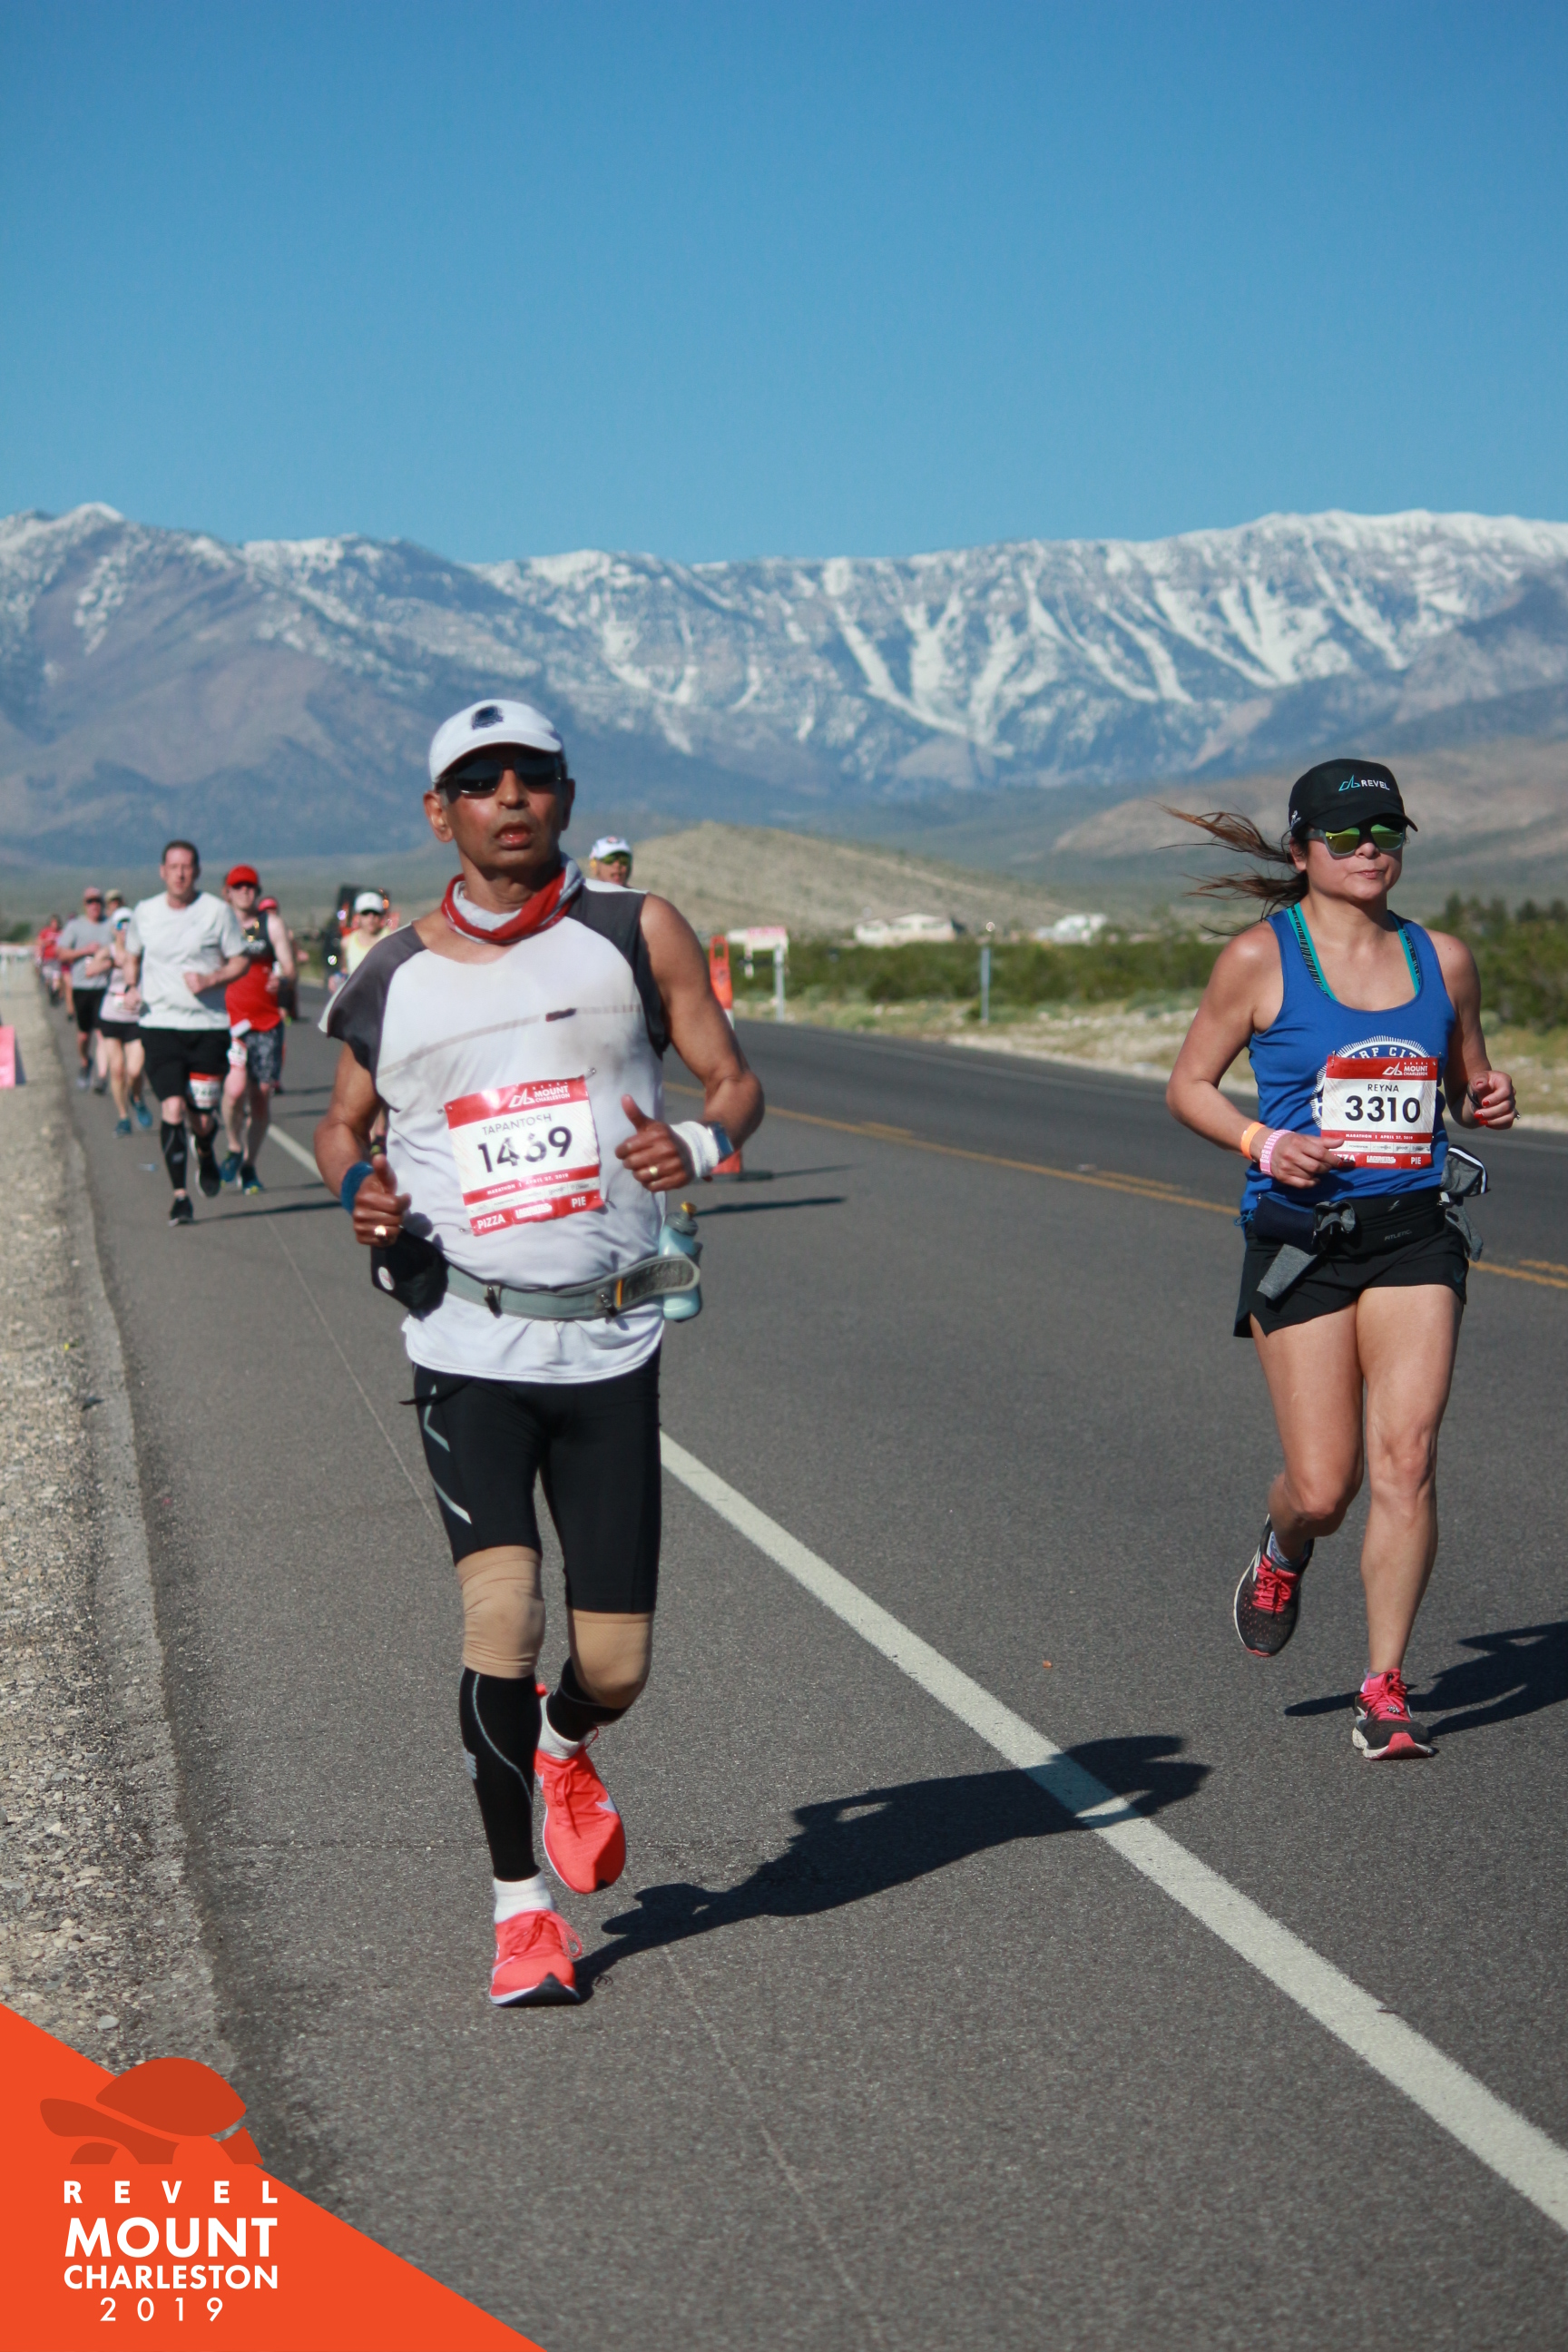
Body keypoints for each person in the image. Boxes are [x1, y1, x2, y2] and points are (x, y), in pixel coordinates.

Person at [314, 698, 762, 2005]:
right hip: (469, 1340)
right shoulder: (389, 977)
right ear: (438, 812)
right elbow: (343, 1125)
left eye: (532, 775)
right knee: (501, 1618)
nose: (508, 796)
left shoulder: (635, 930)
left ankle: (566, 1742)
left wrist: (704, 1144)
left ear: (564, 795)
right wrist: (357, 1191)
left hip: (610, 1341)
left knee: (614, 1664)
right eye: (479, 779)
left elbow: (732, 1080)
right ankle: (521, 1912)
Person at [1166, 760, 1516, 1760]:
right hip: (1301, 1240)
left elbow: (1468, 1085)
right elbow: (1188, 1086)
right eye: (1348, 835)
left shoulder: (1442, 960)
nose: (1371, 850)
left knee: (1407, 1458)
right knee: (1325, 1488)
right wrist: (1262, 1142)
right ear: (1301, 850)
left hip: (1414, 1235)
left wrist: (1489, 1097)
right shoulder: (1258, 959)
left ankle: (1384, 1687)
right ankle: (1284, 1547)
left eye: (1387, 833)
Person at [123, 841, 251, 1227]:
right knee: (172, 1107)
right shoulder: (146, 912)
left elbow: (241, 960)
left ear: (196, 871)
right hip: (159, 1024)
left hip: (207, 1027)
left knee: (202, 1120)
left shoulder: (216, 912)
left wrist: (211, 979)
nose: (180, 873)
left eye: (187, 867)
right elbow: (131, 955)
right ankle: (180, 1197)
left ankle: (206, 1151)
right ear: (162, 871)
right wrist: (131, 987)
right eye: (173, 866)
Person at [220, 864, 297, 1193]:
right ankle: (233, 1144)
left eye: (250, 886)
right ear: (227, 892)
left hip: (266, 1023)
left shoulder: (270, 924)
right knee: (235, 1090)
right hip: (230, 1024)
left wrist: (283, 978)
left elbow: (290, 968)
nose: (244, 892)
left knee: (261, 1096)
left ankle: (249, 1165)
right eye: (238, 887)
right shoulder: (219, 923)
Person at [98, 907, 153, 1135]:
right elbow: (90, 970)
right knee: (117, 1070)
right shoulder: (108, 951)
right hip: (111, 1015)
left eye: (129, 924)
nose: (125, 930)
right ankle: (123, 1117)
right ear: (114, 929)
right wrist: (110, 963)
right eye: (120, 925)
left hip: (136, 1016)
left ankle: (137, 1097)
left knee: (135, 1070)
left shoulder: (145, 951)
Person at [55, 886, 115, 1090]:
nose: (94, 905)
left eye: (98, 901)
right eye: (90, 901)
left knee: (102, 1033)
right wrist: (84, 951)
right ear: (85, 904)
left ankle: (102, 1076)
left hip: (104, 987)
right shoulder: (75, 926)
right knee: (84, 1034)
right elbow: (61, 954)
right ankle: (84, 1061)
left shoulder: (109, 926)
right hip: (82, 986)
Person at [343, 890, 388, 976]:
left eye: (375, 913)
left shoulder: (391, 939)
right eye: (366, 913)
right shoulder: (347, 943)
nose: (371, 917)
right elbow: (345, 971)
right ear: (358, 916)